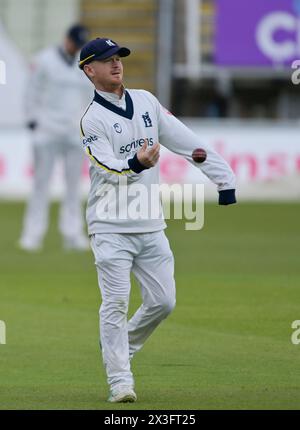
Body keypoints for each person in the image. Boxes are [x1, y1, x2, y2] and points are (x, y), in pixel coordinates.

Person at [79, 37, 237, 403]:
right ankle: (120, 380)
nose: (116, 64)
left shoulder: (147, 102)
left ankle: (120, 348)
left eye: (118, 57)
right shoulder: (92, 119)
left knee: (163, 302)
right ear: (90, 70)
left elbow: (188, 142)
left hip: (150, 224)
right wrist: (136, 164)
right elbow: (105, 165)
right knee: (116, 303)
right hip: (110, 226)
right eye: (106, 60)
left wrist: (223, 179)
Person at [19, 24, 91, 251]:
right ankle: (32, 235)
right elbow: (31, 90)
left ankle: (72, 234)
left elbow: (89, 96)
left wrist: (87, 124)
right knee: (41, 184)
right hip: (47, 129)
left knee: (73, 186)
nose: (75, 48)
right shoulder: (44, 60)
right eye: (74, 43)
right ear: (66, 39)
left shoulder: (85, 65)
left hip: (73, 131)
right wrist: (33, 119)